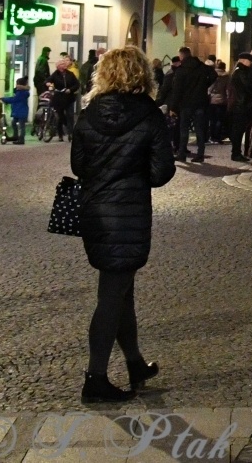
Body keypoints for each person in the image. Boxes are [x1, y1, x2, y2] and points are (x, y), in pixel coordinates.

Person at [70, 45, 176, 403]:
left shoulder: (89, 114)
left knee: (121, 290)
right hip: (128, 213)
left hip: (95, 212)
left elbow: (78, 166)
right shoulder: (149, 115)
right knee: (111, 296)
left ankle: (135, 363)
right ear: (142, 74)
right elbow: (161, 172)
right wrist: (133, 171)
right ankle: (95, 379)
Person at [165, 47, 213, 164]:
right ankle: (200, 154)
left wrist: (173, 107)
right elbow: (214, 75)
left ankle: (182, 153)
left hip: (185, 103)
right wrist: (204, 85)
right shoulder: (201, 66)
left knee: (184, 129)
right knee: (199, 129)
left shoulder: (181, 70)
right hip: (200, 102)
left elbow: (177, 90)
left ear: (181, 56)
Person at [49, 57, 81, 141]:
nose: (64, 65)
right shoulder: (55, 74)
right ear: (58, 66)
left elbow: (77, 84)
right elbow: (48, 80)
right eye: (62, 64)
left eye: (64, 63)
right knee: (60, 117)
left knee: (70, 115)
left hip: (69, 98)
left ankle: (70, 133)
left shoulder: (70, 74)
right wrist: (48, 84)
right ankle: (60, 135)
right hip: (59, 98)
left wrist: (70, 90)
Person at [4, 76, 30, 144]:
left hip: (21, 111)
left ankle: (21, 139)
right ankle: (15, 136)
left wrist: (4, 99)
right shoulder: (19, 92)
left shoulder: (22, 93)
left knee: (21, 126)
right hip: (19, 111)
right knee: (14, 123)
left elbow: (14, 99)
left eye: (17, 84)